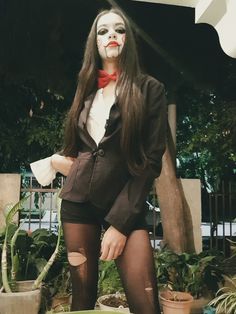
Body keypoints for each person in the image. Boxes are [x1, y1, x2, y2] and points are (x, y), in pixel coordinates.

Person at [31, 7, 167, 314]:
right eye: (103, 31)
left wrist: (119, 224)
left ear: (128, 39)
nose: (111, 36)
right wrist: (56, 160)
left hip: (125, 205)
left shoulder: (150, 89)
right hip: (79, 205)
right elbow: (79, 148)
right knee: (81, 300)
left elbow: (151, 161)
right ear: (94, 42)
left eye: (119, 30)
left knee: (146, 303)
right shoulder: (86, 89)